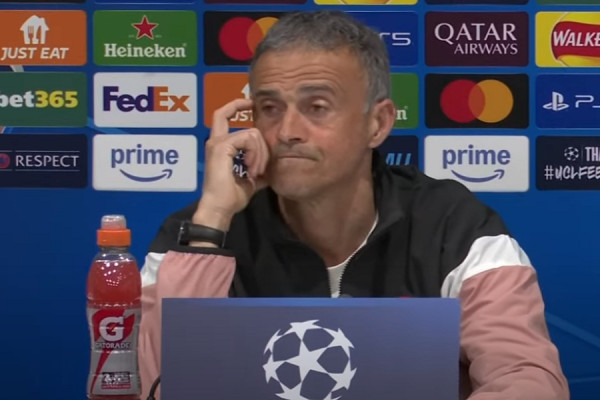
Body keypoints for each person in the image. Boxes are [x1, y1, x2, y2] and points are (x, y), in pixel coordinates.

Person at [138, 10, 569, 400]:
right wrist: (212, 219)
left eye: (316, 107)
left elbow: (527, 377)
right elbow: (156, 386)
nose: (287, 131)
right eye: (269, 108)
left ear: (377, 123)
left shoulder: (453, 226)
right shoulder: (194, 235)